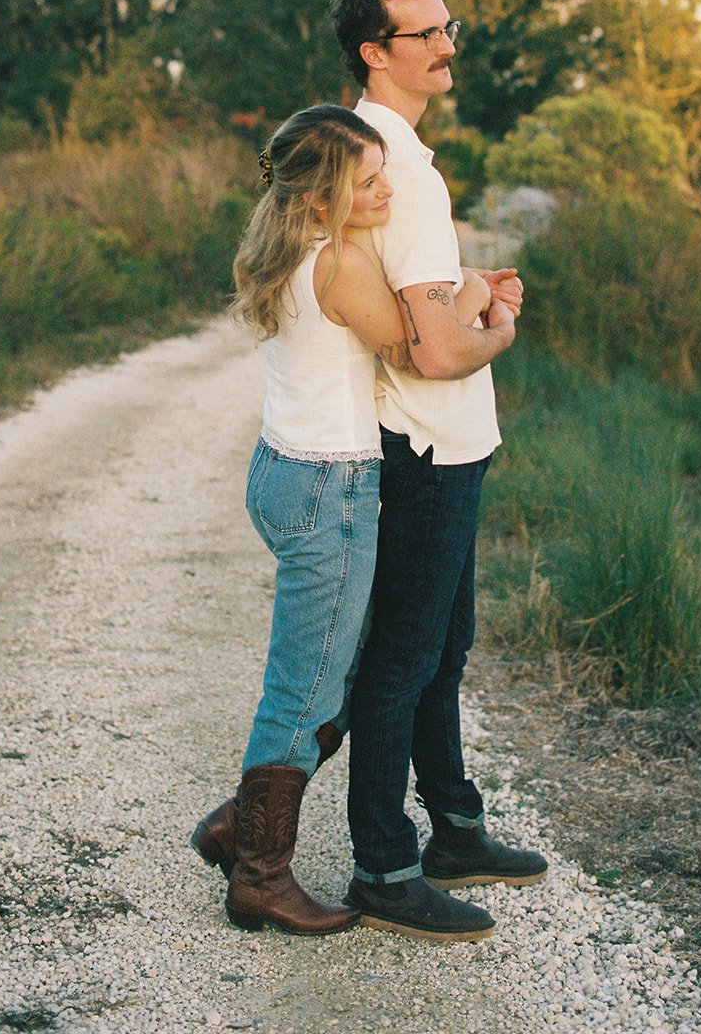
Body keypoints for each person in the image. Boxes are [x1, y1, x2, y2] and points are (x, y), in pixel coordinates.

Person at [188, 103, 494, 935]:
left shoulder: (287, 247)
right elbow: (420, 347)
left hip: (283, 471)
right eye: (366, 179)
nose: (385, 186)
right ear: (322, 198)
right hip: (329, 489)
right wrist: (478, 299)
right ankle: (260, 877)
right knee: (307, 690)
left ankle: (236, 826)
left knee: (342, 669)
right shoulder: (339, 266)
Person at [330, 0, 549, 943]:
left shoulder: (372, 147)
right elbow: (435, 349)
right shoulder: (403, 170)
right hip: (426, 446)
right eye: (423, 36)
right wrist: (499, 321)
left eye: (446, 27)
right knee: (406, 657)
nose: (446, 46)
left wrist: (458, 282)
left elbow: (411, 300)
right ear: (376, 54)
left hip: (444, 443)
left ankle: (454, 826)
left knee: (441, 649)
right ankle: (383, 863)